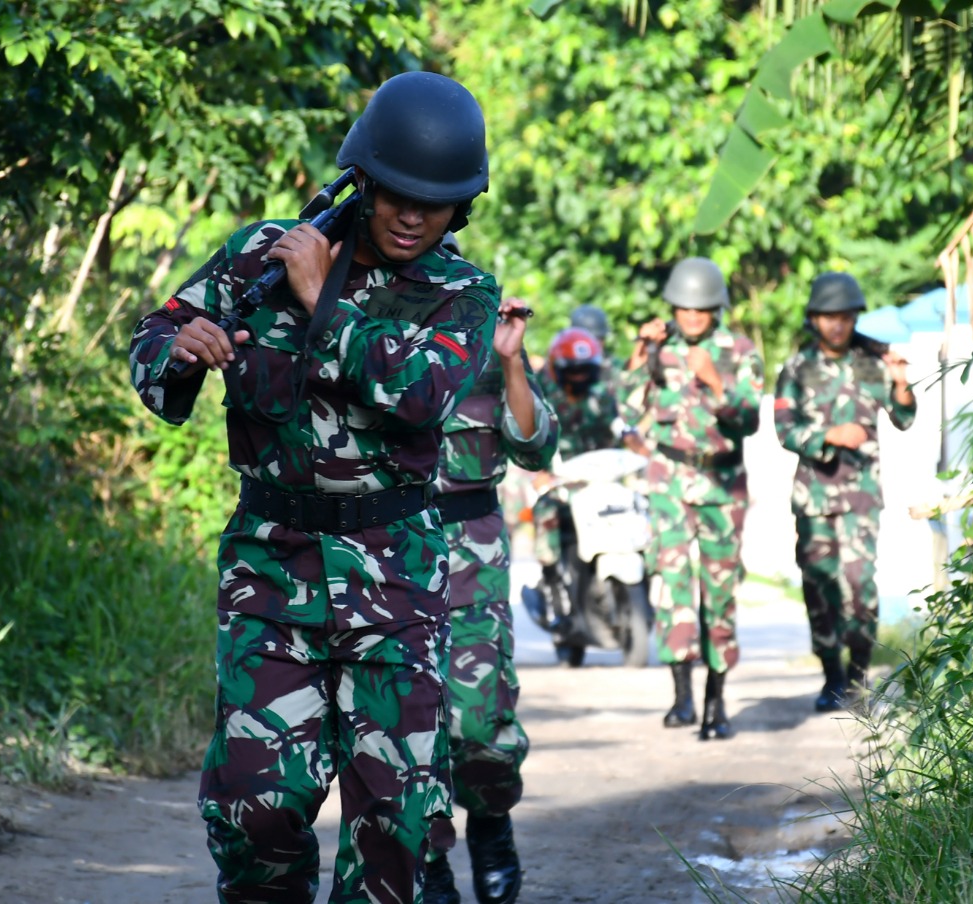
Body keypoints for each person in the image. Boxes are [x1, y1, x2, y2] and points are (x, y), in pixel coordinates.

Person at [128, 71, 499, 904]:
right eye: (398, 195)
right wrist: (179, 352)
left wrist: (319, 302)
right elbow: (154, 342)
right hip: (270, 572)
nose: (411, 217)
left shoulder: (463, 295)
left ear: (459, 208)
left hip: (395, 581)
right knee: (254, 813)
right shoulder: (259, 254)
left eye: (433, 204)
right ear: (362, 182)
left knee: (395, 823)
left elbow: (423, 394)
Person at [424, 239, 559, 904]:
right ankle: (426, 857)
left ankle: (492, 819)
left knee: (480, 719)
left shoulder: (484, 327)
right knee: (399, 717)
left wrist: (508, 365)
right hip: (381, 544)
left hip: (471, 544)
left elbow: (533, 446)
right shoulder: (358, 326)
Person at [619, 258, 764, 739]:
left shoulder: (739, 350)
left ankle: (715, 703)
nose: (693, 317)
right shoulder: (659, 349)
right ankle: (681, 696)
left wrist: (716, 382)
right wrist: (642, 352)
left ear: (716, 308)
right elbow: (625, 406)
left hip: (722, 482)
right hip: (670, 479)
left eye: (701, 309)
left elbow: (748, 421)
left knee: (719, 590)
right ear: (673, 309)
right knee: (672, 583)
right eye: (684, 309)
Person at [774, 271, 916, 713]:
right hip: (814, 498)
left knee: (859, 587)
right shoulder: (796, 369)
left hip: (860, 498)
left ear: (855, 317)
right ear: (814, 319)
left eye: (845, 316)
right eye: (828, 317)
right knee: (819, 588)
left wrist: (899, 382)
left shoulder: (872, 363)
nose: (837, 324)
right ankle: (831, 677)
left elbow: (905, 418)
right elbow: (784, 429)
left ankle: (857, 675)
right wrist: (830, 435)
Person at [528, 327, 639, 647]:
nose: (578, 377)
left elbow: (619, 426)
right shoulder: (541, 392)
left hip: (601, 480)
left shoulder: (603, 393)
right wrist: (541, 472)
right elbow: (527, 434)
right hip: (558, 479)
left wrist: (634, 442)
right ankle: (554, 592)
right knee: (545, 517)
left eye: (584, 371)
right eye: (571, 371)